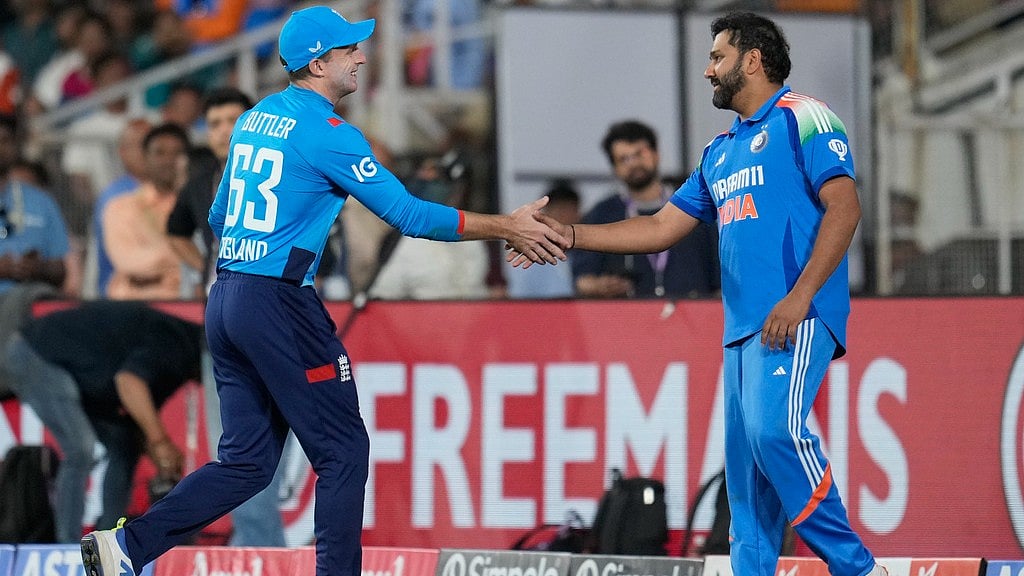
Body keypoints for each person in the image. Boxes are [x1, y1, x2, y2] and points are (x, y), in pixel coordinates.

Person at [79, 7, 568, 576]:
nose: (360, 56)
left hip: (228, 295)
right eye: (348, 49)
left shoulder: (255, 118)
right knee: (342, 451)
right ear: (317, 63)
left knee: (246, 464)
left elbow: (217, 215)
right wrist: (506, 226)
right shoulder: (328, 134)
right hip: (279, 302)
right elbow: (410, 215)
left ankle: (127, 546)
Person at [511, 12, 885, 576]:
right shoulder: (719, 150)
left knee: (775, 434)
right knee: (747, 484)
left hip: (795, 316)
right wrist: (571, 234)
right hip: (741, 331)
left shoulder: (805, 117)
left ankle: (857, 568)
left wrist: (800, 296)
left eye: (717, 57)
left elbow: (846, 208)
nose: (708, 70)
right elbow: (661, 227)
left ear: (752, 60)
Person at [166, 86, 289, 547]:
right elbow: (175, 230)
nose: (223, 132)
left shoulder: (282, 173)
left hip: (275, 326)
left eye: (233, 121)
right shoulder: (202, 183)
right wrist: (204, 266)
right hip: (220, 332)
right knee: (236, 450)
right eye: (214, 123)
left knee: (262, 452)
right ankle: (258, 550)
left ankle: (258, 550)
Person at [4, 300, 202, 544]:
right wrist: (161, 444)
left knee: (125, 443)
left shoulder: (178, 360)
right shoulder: (175, 343)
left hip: (80, 374)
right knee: (80, 449)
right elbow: (129, 383)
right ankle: (67, 546)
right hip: (35, 355)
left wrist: (163, 460)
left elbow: (139, 423)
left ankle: (108, 538)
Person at [572, 120, 719, 299]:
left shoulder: (693, 202)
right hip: (628, 313)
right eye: (624, 159)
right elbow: (582, 279)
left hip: (694, 311)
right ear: (614, 168)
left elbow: (720, 270)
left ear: (656, 154)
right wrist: (599, 286)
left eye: (639, 154)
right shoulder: (602, 214)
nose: (634, 163)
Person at [0, 113, 70, 400]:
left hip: (30, 312)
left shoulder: (40, 201)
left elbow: (60, 270)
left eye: (5, 140)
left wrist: (37, 267)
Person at [102, 123, 190, 300]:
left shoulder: (200, 206)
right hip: (131, 303)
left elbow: (207, 262)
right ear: (145, 157)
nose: (168, 160)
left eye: (177, 153)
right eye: (159, 153)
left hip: (186, 304)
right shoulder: (120, 206)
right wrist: (181, 261)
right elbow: (128, 261)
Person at [507, 179, 581, 299]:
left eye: (572, 211)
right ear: (546, 215)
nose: (566, 218)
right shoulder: (529, 258)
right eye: (561, 211)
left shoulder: (586, 256)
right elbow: (519, 302)